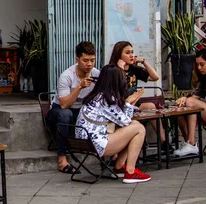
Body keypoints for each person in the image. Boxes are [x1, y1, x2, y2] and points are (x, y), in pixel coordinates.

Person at [76, 64, 151, 183]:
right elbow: (125, 121)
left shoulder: (96, 96)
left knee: (134, 125)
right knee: (139, 129)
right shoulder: (107, 99)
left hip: (84, 141)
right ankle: (130, 172)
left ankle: (119, 166)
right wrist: (128, 102)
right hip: (97, 144)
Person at [47, 41, 99, 174]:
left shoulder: (96, 74)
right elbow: (64, 104)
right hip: (59, 110)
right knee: (66, 114)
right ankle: (62, 159)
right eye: (85, 60)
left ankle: (109, 152)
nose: (89, 64)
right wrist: (80, 87)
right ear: (77, 59)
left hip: (82, 111)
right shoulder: (67, 76)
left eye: (92, 60)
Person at [109, 41, 169, 150]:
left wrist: (144, 62)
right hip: (120, 107)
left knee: (150, 106)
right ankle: (118, 152)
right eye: (127, 53)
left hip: (134, 105)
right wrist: (121, 69)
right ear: (119, 55)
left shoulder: (134, 69)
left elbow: (155, 77)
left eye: (132, 52)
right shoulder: (112, 70)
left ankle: (164, 142)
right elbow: (116, 90)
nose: (131, 55)